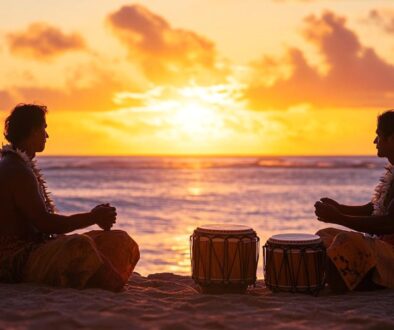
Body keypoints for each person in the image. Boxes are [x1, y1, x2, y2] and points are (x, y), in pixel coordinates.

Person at [0, 104, 140, 291]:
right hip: (16, 261)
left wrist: (94, 217)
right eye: (44, 129)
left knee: (119, 240)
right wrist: (93, 217)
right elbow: (45, 224)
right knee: (80, 245)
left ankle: (99, 280)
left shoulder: (20, 165)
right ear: (33, 130)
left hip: (37, 249)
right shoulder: (16, 169)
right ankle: (108, 283)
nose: (47, 136)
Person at [315, 109, 394, 293]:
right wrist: (339, 208)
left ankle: (362, 282)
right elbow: (374, 210)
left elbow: (389, 223)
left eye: (379, 136)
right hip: (382, 248)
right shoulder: (392, 173)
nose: (375, 141)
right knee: (322, 236)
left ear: (392, 138)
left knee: (345, 240)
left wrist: (340, 218)